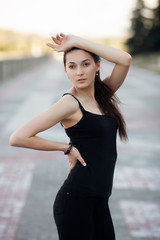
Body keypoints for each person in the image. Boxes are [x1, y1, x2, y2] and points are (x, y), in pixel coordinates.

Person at [9, 32, 132, 240]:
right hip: (75, 201)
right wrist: (66, 148)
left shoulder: (103, 94)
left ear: (97, 66)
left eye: (85, 64)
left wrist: (76, 40)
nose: (79, 72)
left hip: (100, 200)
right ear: (66, 71)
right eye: (72, 66)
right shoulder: (69, 103)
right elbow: (18, 137)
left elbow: (125, 59)